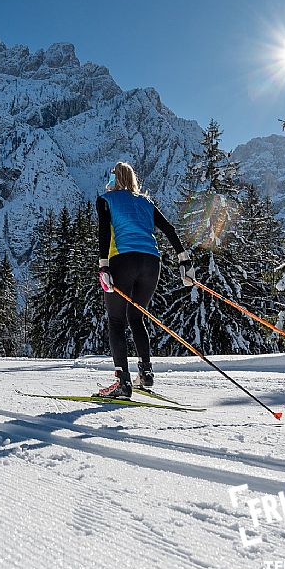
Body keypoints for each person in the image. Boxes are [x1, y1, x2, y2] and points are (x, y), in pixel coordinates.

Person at [94, 162, 195, 399]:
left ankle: (122, 383)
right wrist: (184, 262)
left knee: (116, 321)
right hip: (152, 263)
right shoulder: (146, 202)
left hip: (122, 262)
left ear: (113, 179)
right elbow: (169, 229)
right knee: (137, 317)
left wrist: (103, 267)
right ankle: (146, 373)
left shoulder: (106, 200)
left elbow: (104, 233)